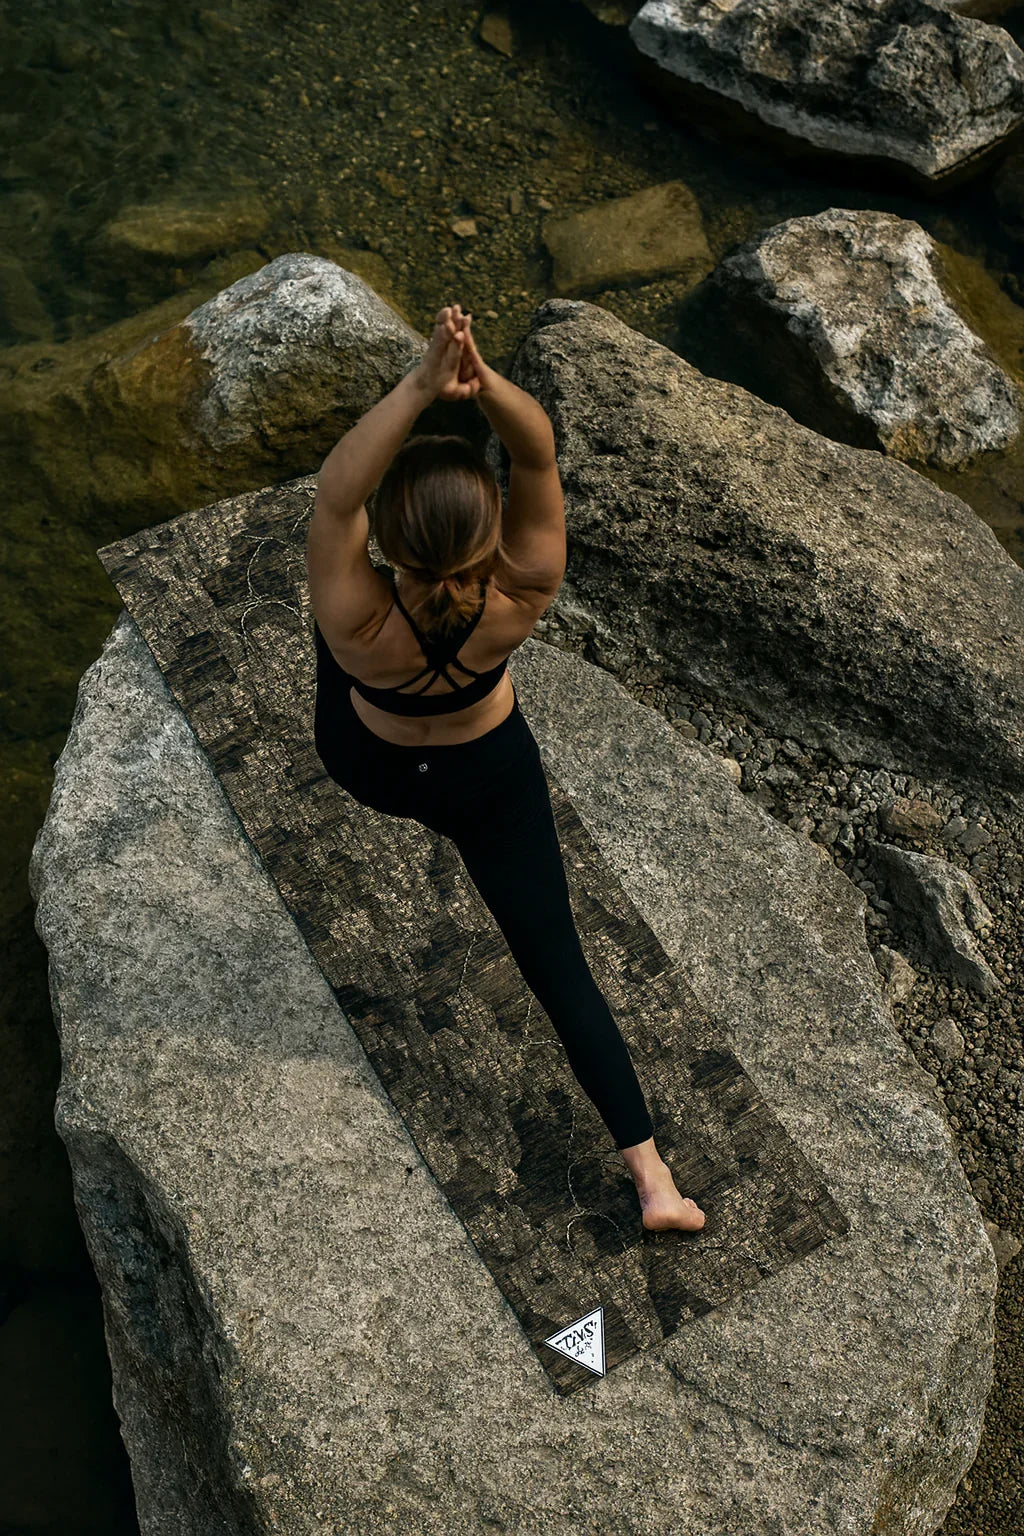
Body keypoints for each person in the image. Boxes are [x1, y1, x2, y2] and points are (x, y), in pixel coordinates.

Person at [306, 301, 704, 1234]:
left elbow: (335, 497)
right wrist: (480, 384)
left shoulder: (360, 607)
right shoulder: (526, 583)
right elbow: (538, 454)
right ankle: (655, 1185)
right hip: (490, 775)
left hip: (369, 760)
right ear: (488, 539)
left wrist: (419, 384)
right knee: (557, 966)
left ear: (393, 545)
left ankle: (655, 1183)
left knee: (332, 618)